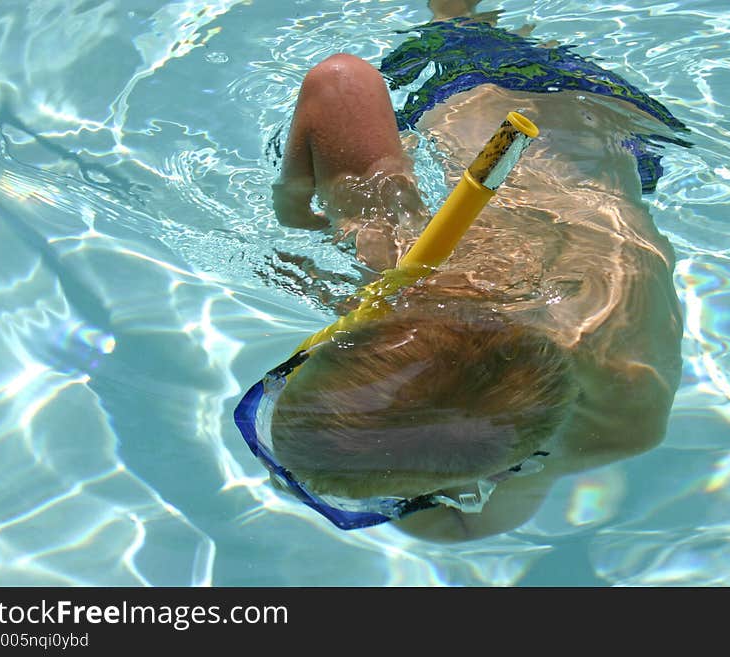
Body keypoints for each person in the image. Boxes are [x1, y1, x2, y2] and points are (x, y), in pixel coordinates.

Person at [260, 1, 684, 541]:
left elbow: (470, 520)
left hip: (630, 132)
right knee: (457, 19)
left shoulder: (627, 418)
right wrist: (294, 211)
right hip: (486, 100)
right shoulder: (395, 262)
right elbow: (340, 81)